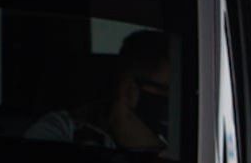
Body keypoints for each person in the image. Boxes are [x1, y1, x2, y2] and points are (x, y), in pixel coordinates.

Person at [26, 30, 170, 149]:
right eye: (164, 90)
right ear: (129, 90)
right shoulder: (63, 129)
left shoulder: (175, 140)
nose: (171, 101)